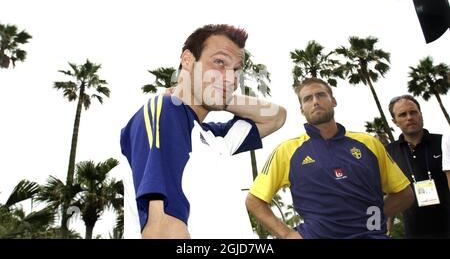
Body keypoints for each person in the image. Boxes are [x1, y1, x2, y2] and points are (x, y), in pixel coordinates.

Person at [120, 24, 287, 239]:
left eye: (236, 70)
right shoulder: (167, 110)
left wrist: (222, 96)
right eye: (219, 62)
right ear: (188, 60)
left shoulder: (216, 137)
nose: (231, 78)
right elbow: (163, 228)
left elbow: (276, 116)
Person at [246, 77, 413, 239]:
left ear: (333, 101)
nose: (315, 101)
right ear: (302, 110)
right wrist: (287, 234)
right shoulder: (287, 151)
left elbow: (404, 193)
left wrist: (371, 217)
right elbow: (254, 200)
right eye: (307, 99)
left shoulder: (369, 143)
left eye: (321, 95)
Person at [387, 94, 450, 238]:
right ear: (395, 121)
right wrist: (386, 229)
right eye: (403, 114)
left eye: (413, 112)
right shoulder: (389, 152)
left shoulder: (443, 142)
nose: (409, 117)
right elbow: (389, 193)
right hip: (415, 231)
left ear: (421, 114)